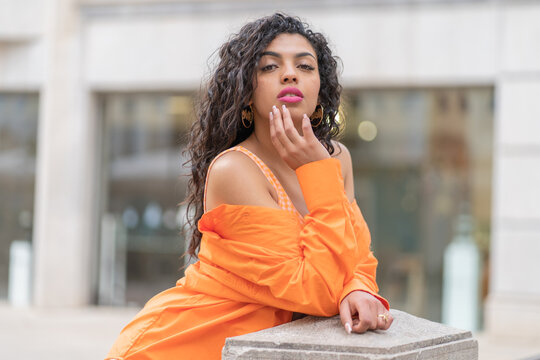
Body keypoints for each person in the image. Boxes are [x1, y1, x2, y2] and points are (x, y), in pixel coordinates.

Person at [106, 13, 393, 360]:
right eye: (269, 67)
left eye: (305, 66)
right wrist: (316, 172)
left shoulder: (337, 158)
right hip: (183, 345)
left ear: (321, 88)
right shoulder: (235, 169)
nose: (289, 74)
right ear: (245, 94)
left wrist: (358, 287)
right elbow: (313, 288)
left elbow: (356, 256)